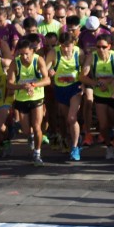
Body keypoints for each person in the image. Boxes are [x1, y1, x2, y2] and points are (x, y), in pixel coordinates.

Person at [7, 38, 51, 166]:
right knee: (26, 129)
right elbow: (9, 83)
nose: (24, 57)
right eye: (21, 54)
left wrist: (33, 85)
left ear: (32, 51)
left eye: (27, 54)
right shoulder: (15, 63)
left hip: (36, 97)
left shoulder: (38, 60)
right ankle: (30, 136)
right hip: (21, 99)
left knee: (37, 126)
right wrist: (22, 86)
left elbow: (47, 80)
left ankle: (37, 153)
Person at [79, 34, 114, 160]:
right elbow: (82, 76)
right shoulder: (92, 57)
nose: (101, 50)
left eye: (103, 47)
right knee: (103, 125)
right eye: (98, 47)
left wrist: (109, 82)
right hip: (100, 94)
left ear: (109, 46)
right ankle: (109, 147)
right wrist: (97, 83)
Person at [46, 32, 84, 161]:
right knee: (65, 118)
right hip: (60, 89)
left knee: (71, 118)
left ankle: (75, 148)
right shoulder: (54, 53)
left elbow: (86, 70)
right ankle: (72, 138)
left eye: (68, 46)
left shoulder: (79, 53)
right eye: (62, 45)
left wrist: (84, 83)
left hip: (75, 88)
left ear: (74, 43)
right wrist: (49, 72)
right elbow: (44, 70)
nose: (65, 49)